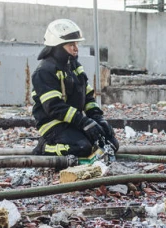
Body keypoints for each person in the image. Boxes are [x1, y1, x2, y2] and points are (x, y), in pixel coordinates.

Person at [30, 19, 119, 158]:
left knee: (111, 143)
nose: (76, 48)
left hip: (73, 121)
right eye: (71, 45)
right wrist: (84, 122)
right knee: (82, 147)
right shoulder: (44, 71)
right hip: (54, 124)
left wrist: (97, 118)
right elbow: (54, 107)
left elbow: (87, 96)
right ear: (57, 46)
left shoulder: (73, 65)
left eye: (76, 44)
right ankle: (45, 147)